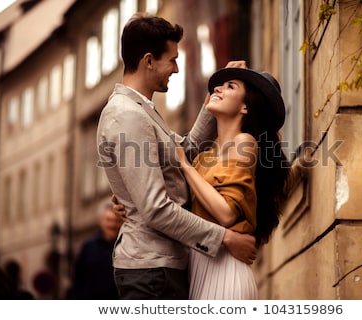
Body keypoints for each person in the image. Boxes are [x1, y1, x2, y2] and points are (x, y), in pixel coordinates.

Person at [96, 13, 256, 300]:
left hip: (161, 267)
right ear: (148, 61)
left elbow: (187, 150)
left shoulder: (141, 110)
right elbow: (155, 208)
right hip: (151, 271)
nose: (177, 68)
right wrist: (226, 238)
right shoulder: (127, 116)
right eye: (172, 59)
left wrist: (217, 97)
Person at [173, 67, 291, 299]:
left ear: (245, 107)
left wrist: (184, 166)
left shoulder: (244, 142)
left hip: (224, 269)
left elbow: (226, 214)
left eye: (230, 86)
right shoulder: (205, 155)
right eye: (221, 85)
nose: (217, 88)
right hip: (201, 266)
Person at [68, 202, 122, 299]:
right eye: (108, 220)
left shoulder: (125, 247)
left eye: (116, 220)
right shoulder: (88, 248)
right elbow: (78, 281)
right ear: (100, 220)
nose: (113, 224)